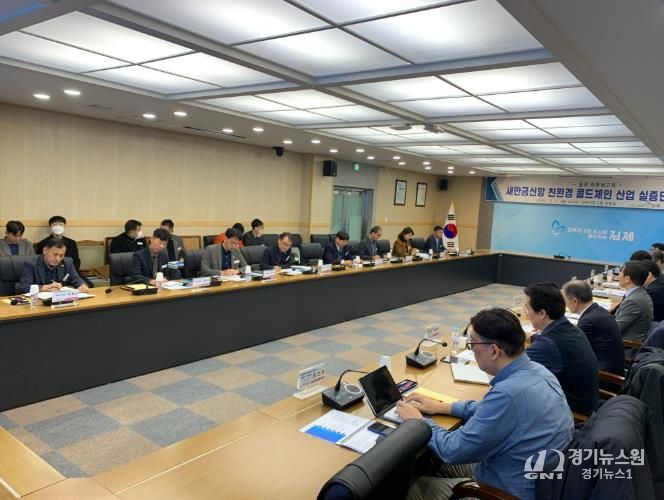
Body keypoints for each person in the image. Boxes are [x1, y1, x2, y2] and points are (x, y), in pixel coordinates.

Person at [396, 308, 573, 500]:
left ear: (494, 351)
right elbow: (490, 410)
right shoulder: (539, 372)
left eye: (472, 344)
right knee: (427, 461)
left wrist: (418, 422)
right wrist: (443, 407)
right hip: (534, 481)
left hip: (502, 493)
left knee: (404, 488)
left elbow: (452, 450)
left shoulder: (508, 394)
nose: (472, 349)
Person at [524, 282, 599, 415]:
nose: (526, 313)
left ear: (541, 313)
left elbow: (512, 367)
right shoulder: (570, 328)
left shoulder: (547, 345)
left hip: (572, 414)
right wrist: (531, 337)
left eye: (527, 309)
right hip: (587, 403)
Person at [561, 280, 623, 375]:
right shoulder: (598, 310)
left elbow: (572, 350)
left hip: (604, 375)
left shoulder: (588, 321)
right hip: (611, 365)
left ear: (574, 301)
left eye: (565, 300)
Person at [18, 238, 88, 293]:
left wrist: (82, 286)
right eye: (55, 254)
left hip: (60, 300)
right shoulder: (31, 264)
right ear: (45, 250)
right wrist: (46, 287)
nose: (58, 259)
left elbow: (76, 279)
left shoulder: (67, 262)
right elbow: (24, 287)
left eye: (61, 255)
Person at [612, 260, 653, 341]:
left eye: (621, 272)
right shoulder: (639, 293)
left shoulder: (633, 301)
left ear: (627, 279)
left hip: (626, 344)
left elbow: (615, 330)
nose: (618, 276)